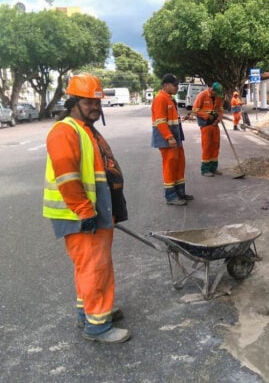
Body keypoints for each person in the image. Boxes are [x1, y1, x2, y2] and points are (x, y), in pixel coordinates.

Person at [43, 74, 130, 343]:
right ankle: (98, 326)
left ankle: (89, 313)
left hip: (92, 213)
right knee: (95, 267)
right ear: (73, 102)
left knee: (90, 267)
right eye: (88, 101)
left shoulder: (84, 129)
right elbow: (67, 177)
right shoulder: (65, 131)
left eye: (97, 102)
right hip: (81, 216)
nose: (95, 107)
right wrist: (85, 211)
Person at [151, 73, 194, 205]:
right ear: (165, 85)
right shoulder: (160, 99)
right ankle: (171, 196)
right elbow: (160, 121)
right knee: (170, 166)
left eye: (177, 85)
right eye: (174, 85)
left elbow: (171, 119)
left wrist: (183, 119)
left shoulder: (170, 99)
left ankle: (180, 192)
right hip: (168, 140)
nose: (177, 87)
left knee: (179, 164)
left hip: (176, 139)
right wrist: (169, 137)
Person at [192, 82, 225, 176]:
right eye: (216, 93)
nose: (217, 95)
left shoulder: (218, 96)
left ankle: (213, 168)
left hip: (215, 124)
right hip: (205, 125)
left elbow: (220, 109)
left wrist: (219, 118)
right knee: (207, 146)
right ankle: (205, 169)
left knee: (215, 145)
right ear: (212, 90)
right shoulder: (202, 95)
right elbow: (195, 109)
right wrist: (207, 116)